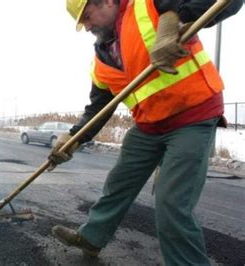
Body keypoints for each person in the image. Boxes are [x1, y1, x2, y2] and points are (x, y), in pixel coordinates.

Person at [49, 0, 243, 264]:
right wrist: (73, 138)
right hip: (149, 127)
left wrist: (174, 17)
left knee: (172, 205)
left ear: (105, 1)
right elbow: (98, 108)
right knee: (118, 183)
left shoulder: (149, 5)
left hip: (192, 116)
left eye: (86, 17)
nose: (86, 27)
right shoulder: (102, 60)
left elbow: (229, 3)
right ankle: (92, 237)